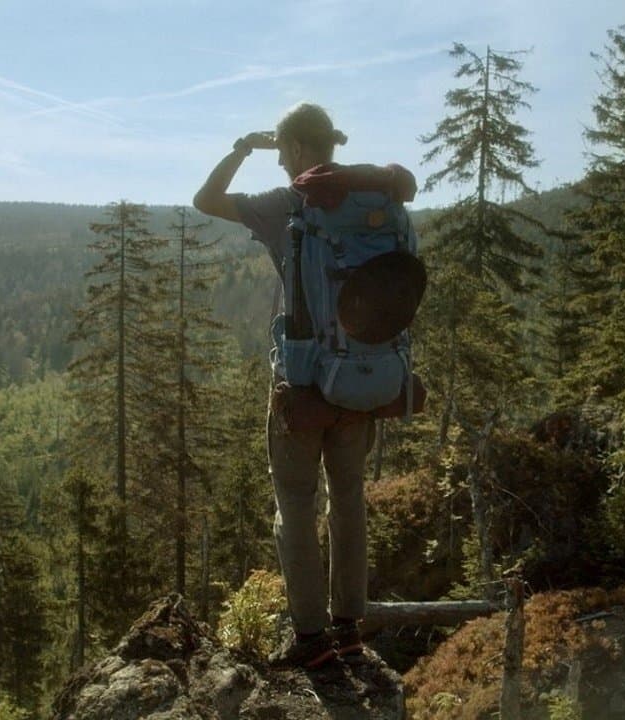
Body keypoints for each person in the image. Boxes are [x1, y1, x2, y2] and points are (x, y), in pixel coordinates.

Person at [193, 103, 375, 669]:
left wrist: (244, 148)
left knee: (296, 506)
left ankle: (312, 640)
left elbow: (206, 199)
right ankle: (349, 628)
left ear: (295, 148)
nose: (279, 162)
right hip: (362, 377)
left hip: (301, 384)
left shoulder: (287, 202)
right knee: (349, 499)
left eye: (281, 152)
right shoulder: (371, 198)